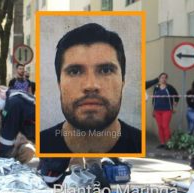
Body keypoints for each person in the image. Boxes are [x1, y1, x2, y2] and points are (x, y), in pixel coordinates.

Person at [40, 23, 141, 154]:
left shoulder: (140, 143)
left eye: (105, 70)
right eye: (75, 71)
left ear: (123, 82)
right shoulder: (39, 145)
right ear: (59, 84)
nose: (91, 86)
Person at [152, 72, 179, 147]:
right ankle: (162, 143)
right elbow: (154, 99)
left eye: (165, 77)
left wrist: (176, 102)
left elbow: (176, 95)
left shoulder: (169, 87)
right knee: (160, 126)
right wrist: (153, 110)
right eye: (162, 77)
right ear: (159, 78)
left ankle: (168, 143)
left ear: (166, 79)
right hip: (157, 110)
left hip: (167, 110)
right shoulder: (156, 87)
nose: (163, 79)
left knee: (165, 126)